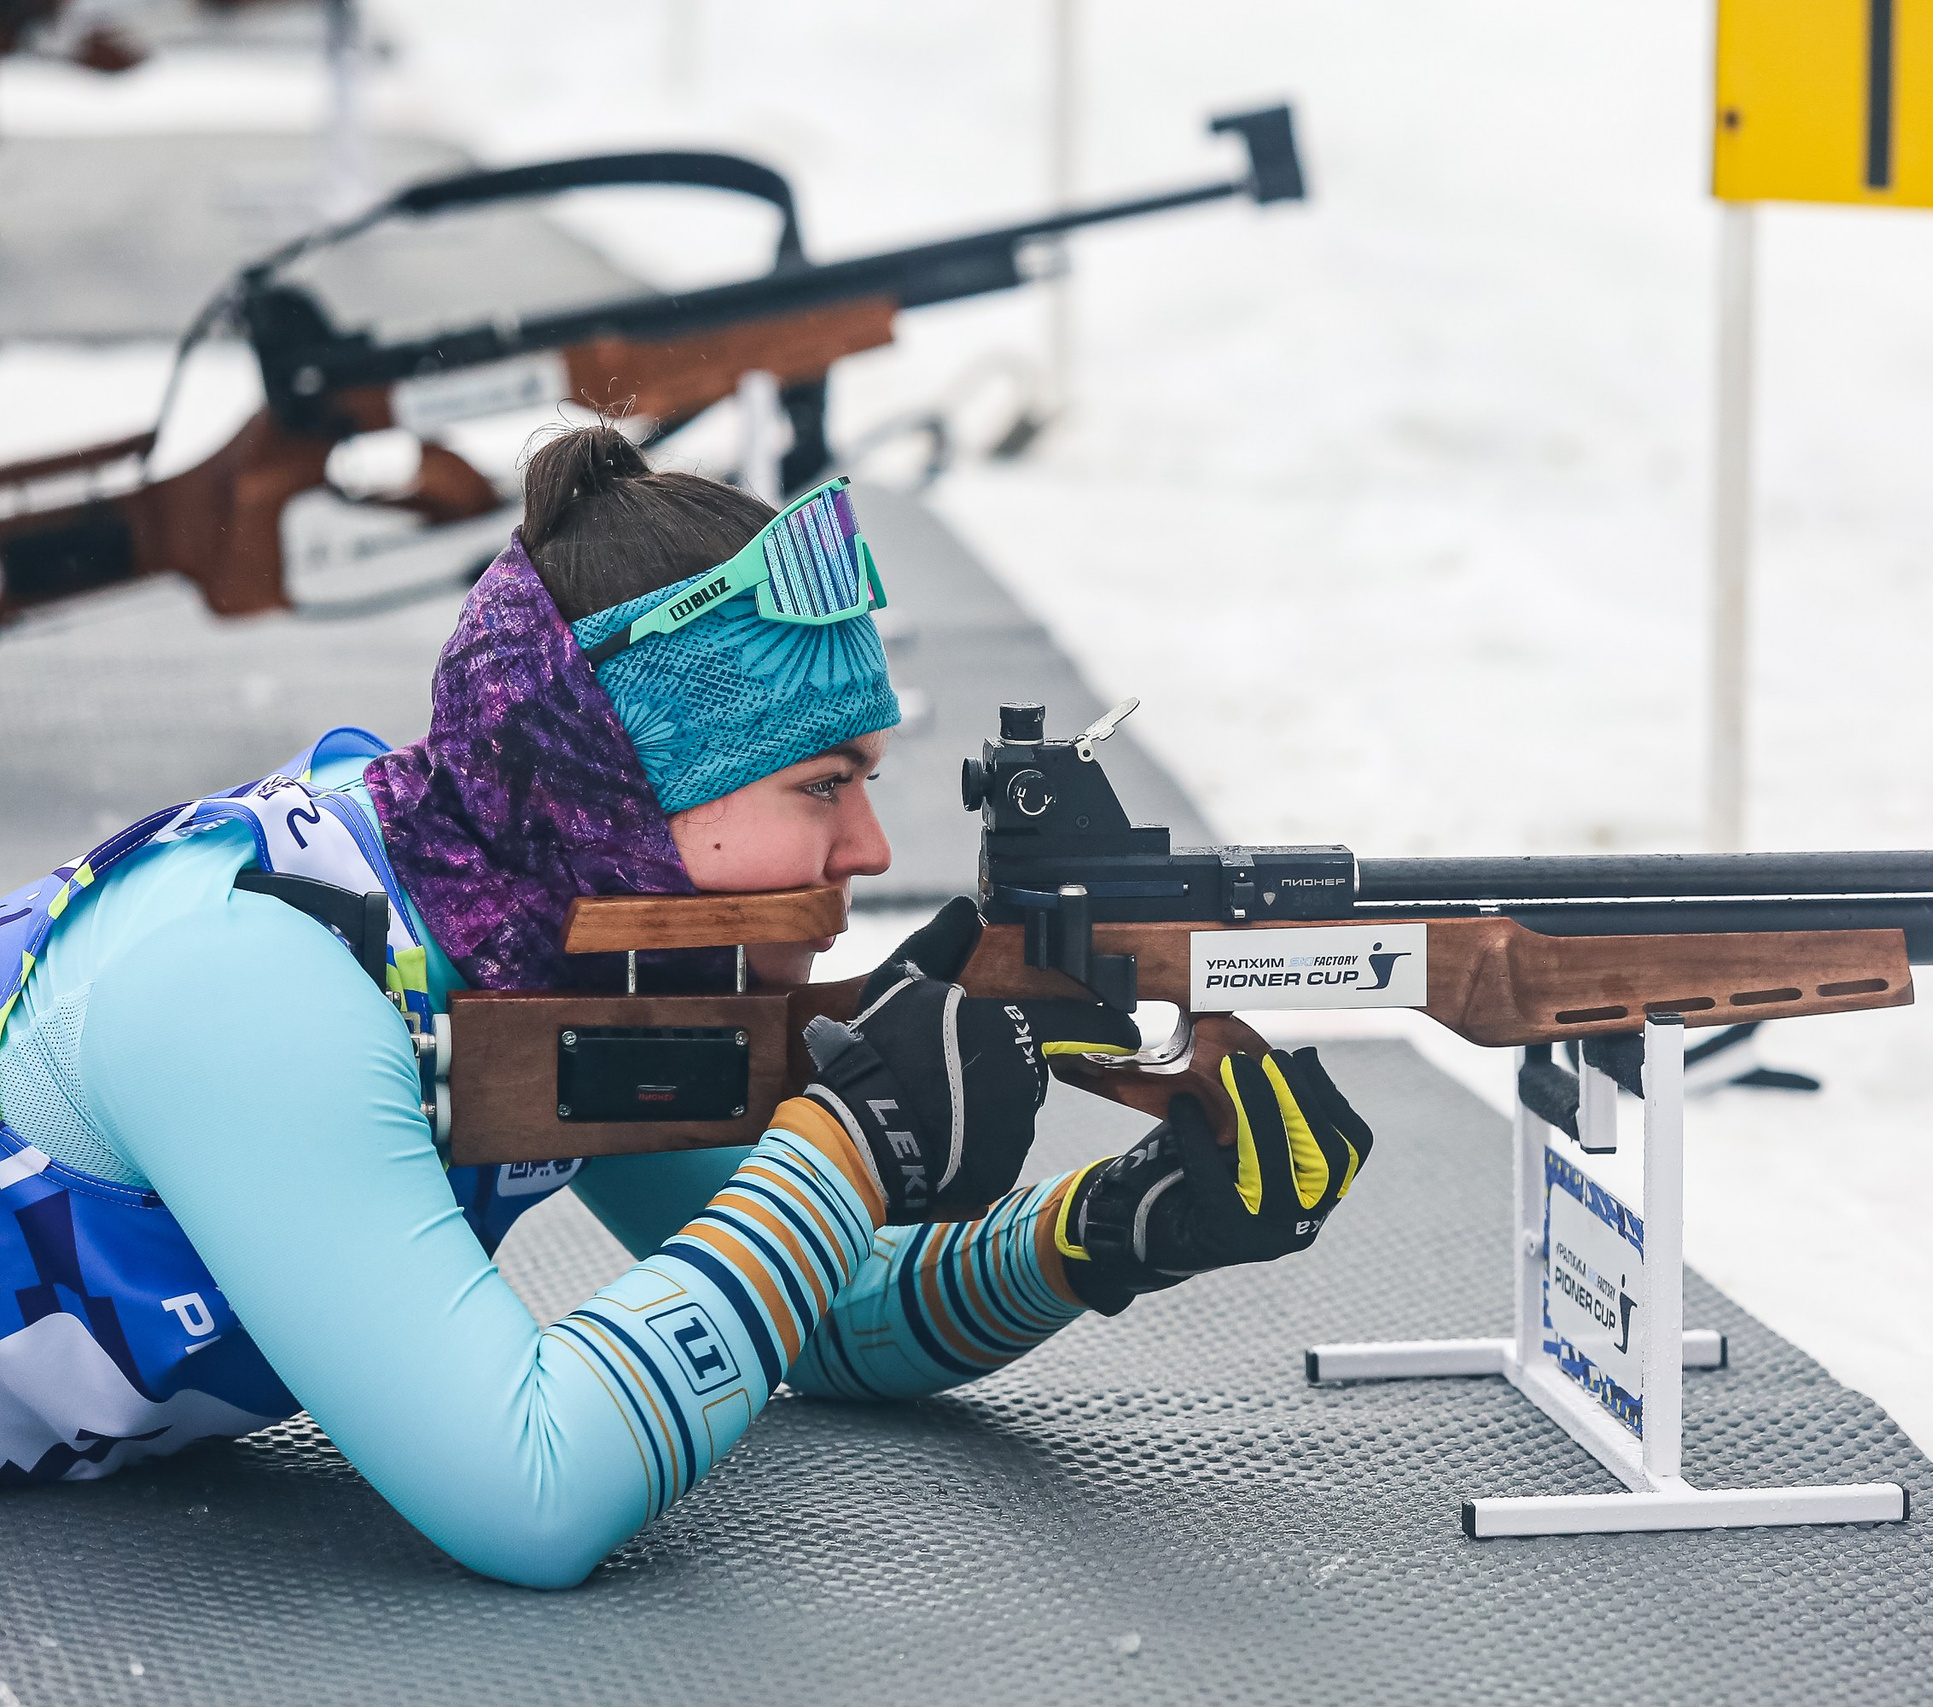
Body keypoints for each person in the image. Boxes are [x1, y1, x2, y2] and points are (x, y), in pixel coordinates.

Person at [0, 426, 1375, 1587]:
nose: (873, 855)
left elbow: (818, 1318)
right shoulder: (259, 981)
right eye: (821, 787)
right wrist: (843, 1147)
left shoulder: (537, 926)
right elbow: (528, 1495)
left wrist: (1109, 1231)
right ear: (617, 786)